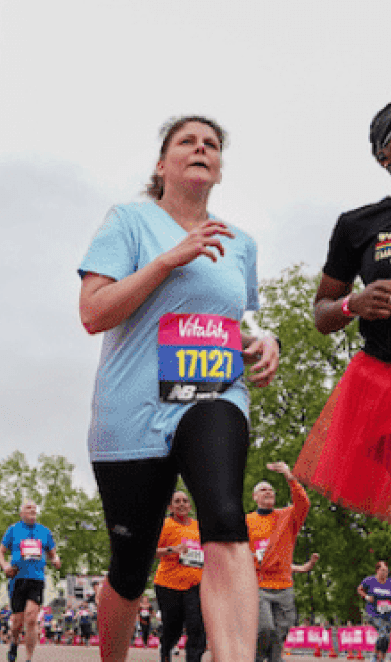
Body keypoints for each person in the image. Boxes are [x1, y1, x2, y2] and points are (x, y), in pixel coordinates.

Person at [79, 115, 280, 662]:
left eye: (211, 144)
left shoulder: (240, 243)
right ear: (161, 165)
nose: (201, 149)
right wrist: (169, 259)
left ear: (218, 168)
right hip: (133, 411)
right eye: (186, 142)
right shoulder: (130, 222)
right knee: (129, 567)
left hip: (212, 394)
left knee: (223, 516)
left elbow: (235, 320)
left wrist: (264, 342)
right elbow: (94, 313)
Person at [294, 103, 391, 520]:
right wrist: (355, 303)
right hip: (381, 383)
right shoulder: (358, 225)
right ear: (384, 156)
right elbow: (321, 314)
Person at [247, 462, 310, 662]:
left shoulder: (288, 516)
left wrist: (289, 477)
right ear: (254, 497)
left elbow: (304, 503)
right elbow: (240, 550)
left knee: (281, 631)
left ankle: (273, 659)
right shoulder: (246, 521)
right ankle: (257, 657)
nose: (268, 492)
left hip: (284, 585)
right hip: (259, 584)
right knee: (265, 628)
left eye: (271, 490)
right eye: (263, 490)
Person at [0, 499, 61, 662]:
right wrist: (5, 566)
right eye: (28, 507)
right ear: (21, 513)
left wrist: (56, 560)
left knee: (31, 618)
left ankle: (28, 658)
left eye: (34, 507)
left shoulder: (44, 532)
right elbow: (0, 553)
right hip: (17, 579)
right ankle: (14, 643)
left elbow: (53, 553)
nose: (32, 509)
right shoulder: (13, 530)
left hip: (36, 579)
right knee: (17, 622)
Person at [154, 491, 206, 662]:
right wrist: (172, 549)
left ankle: (194, 658)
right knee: (173, 627)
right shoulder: (164, 525)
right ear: (170, 507)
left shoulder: (198, 526)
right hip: (168, 585)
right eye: (177, 501)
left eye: (185, 501)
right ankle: (165, 651)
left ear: (190, 507)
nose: (182, 504)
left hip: (194, 585)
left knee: (197, 626)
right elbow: (150, 551)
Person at [359, 561, 391, 662]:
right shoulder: (369, 580)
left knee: (386, 637)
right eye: (382, 570)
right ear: (377, 570)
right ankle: (375, 657)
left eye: (386, 571)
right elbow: (359, 589)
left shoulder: (390, 583)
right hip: (373, 613)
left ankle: (381, 658)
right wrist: (367, 597)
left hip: (387, 614)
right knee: (383, 632)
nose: (384, 573)